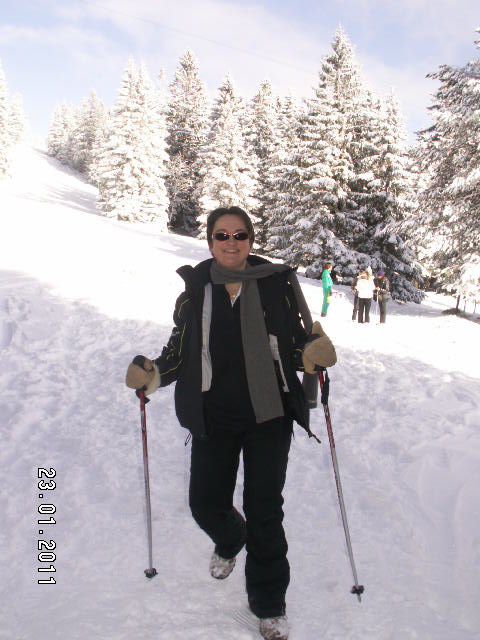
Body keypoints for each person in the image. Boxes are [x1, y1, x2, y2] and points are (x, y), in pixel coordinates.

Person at [125, 206, 337, 640]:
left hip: (268, 415)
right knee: (205, 503)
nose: (231, 242)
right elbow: (180, 351)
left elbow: (295, 348)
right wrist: (154, 373)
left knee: (264, 511)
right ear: (210, 242)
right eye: (221, 236)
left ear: (251, 240)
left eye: (240, 235)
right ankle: (229, 538)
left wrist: (310, 356)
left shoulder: (275, 286)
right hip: (214, 415)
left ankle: (269, 605)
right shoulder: (195, 291)